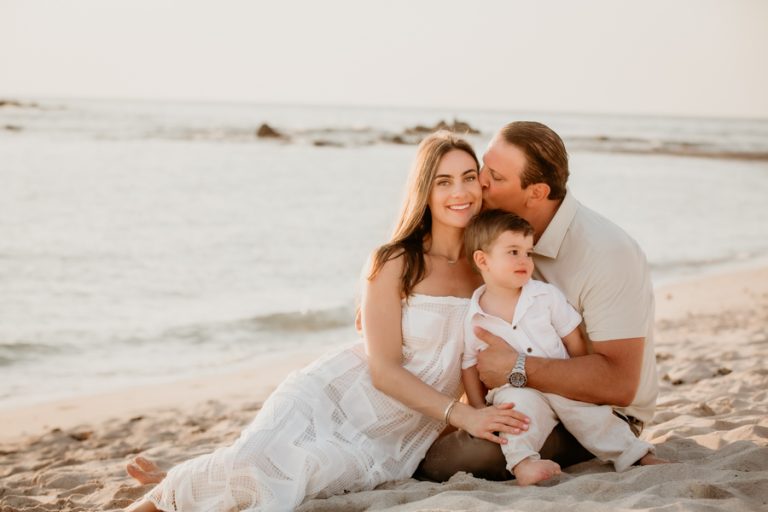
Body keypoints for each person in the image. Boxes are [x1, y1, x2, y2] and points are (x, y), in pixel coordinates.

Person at [125, 131, 529, 512]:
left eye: (468, 178)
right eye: (443, 182)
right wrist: (465, 416)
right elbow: (384, 371)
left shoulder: (487, 268)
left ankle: (188, 477)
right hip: (331, 397)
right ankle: (158, 495)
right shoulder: (394, 261)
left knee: (289, 472)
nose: (459, 192)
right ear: (424, 191)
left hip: (395, 436)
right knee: (254, 465)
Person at [417, 121, 660, 481]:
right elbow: (435, 237)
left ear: (536, 192)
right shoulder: (493, 229)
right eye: (484, 166)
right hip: (515, 397)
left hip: (598, 411)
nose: (480, 182)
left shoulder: (606, 253)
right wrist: (390, 286)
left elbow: (619, 382)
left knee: (458, 456)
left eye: (495, 177)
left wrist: (517, 368)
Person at [460, 209, 661, 486]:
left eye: (528, 253)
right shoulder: (474, 316)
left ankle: (635, 454)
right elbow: (469, 364)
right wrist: (478, 407)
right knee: (515, 415)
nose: (525, 260)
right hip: (515, 390)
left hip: (560, 381)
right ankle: (524, 463)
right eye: (513, 252)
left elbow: (572, 337)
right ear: (483, 260)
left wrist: (581, 375)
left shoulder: (545, 295)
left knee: (593, 417)